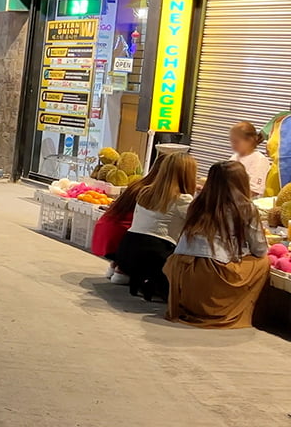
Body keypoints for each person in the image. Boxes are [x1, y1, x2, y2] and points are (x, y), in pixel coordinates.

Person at [165, 160, 271, 328]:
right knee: (264, 262)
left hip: (181, 272)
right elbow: (260, 249)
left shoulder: (196, 202)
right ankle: (236, 309)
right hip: (212, 274)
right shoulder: (245, 207)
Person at [114, 152, 198, 301]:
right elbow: (199, 225)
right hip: (155, 257)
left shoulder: (145, 191)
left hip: (126, 251)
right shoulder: (183, 200)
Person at [92, 156, 168, 284]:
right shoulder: (153, 192)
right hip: (122, 240)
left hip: (104, 234)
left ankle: (117, 266)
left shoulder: (139, 184)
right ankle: (123, 269)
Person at [228, 121, 270, 197]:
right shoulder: (234, 157)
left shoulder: (259, 160)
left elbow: (253, 192)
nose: (232, 145)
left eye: (236, 142)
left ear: (250, 140)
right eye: (231, 141)